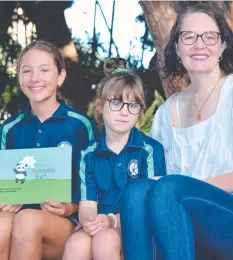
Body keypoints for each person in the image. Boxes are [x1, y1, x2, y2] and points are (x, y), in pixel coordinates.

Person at [120, 4, 233, 260]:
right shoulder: (167, 112)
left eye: (209, 36)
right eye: (188, 36)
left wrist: (185, 189)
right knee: (136, 192)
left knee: (169, 188)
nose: (200, 45)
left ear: (222, 46)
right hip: (191, 223)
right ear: (177, 47)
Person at [0, 40, 99, 260]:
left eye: (44, 70)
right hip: (20, 219)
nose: (35, 78)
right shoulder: (10, 128)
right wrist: (2, 201)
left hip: (66, 226)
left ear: (60, 76)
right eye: (27, 71)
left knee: (28, 220)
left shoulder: (81, 125)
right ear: (19, 77)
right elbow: (1, 187)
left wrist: (70, 207)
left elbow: (95, 184)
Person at [62, 58, 166, 260]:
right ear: (100, 106)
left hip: (138, 225)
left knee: (105, 240)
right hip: (102, 222)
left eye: (133, 105)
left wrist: (112, 221)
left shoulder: (150, 150)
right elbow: (88, 205)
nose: (124, 111)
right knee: (77, 244)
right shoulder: (88, 154)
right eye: (116, 102)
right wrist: (91, 222)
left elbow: (150, 205)